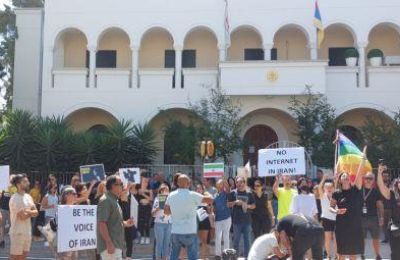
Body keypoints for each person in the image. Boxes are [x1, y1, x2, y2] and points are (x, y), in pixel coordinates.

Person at [164, 174, 213, 260]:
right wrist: (207, 192)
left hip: (176, 231)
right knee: (192, 256)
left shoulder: (171, 195)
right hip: (190, 231)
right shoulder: (193, 195)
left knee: (174, 255)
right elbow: (210, 200)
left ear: (178, 183)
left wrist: (177, 211)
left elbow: (166, 212)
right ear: (189, 183)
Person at [330, 147, 366, 260]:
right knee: (341, 252)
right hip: (341, 225)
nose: (345, 176)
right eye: (343, 176)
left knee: (353, 253)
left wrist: (363, 160)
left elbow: (359, 174)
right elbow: (331, 207)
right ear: (340, 180)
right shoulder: (336, 193)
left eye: (347, 175)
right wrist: (336, 211)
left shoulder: (356, 189)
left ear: (350, 179)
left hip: (355, 224)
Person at [97, 175, 135, 260]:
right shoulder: (106, 200)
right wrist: (108, 242)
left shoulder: (114, 200)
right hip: (110, 246)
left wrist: (126, 223)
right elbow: (102, 224)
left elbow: (114, 222)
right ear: (113, 186)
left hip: (116, 244)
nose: (123, 186)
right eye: (121, 184)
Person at [9, 174, 38, 260]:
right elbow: (23, 216)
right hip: (18, 233)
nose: (28, 183)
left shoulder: (28, 197)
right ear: (18, 184)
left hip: (27, 232)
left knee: (23, 256)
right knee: (15, 257)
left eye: (27, 181)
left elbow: (36, 212)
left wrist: (28, 211)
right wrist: (31, 212)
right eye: (25, 182)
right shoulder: (14, 198)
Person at [228, 176, 255, 257]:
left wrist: (246, 205)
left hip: (247, 221)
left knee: (247, 242)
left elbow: (254, 206)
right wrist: (235, 202)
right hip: (236, 221)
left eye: (241, 182)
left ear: (244, 183)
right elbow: (228, 204)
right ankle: (235, 257)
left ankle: (247, 257)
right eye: (237, 182)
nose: (239, 184)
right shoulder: (233, 193)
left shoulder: (249, 193)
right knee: (236, 241)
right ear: (235, 183)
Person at [377, 165, 400, 260]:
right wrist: (379, 173)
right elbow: (381, 186)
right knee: (396, 254)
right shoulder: (392, 194)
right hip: (396, 229)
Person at [360, 172, 384, 260]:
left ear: (373, 180)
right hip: (361, 218)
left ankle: (378, 255)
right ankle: (362, 255)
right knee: (362, 239)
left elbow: (380, 205)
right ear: (364, 179)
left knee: (376, 238)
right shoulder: (359, 190)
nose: (368, 180)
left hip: (373, 218)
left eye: (371, 178)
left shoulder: (376, 191)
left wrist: (381, 217)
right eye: (367, 178)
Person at [56, 186, 79, 260]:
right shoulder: (62, 209)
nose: (76, 195)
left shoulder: (78, 209)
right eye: (74, 193)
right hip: (65, 243)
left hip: (74, 243)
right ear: (66, 196)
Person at [318, 174, 337, 260]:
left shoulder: (336, 195)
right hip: (326, 219)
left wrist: (335, 179)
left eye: (330, 187)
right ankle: (329, 256)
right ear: (324, 188)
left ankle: (337, 256)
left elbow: (336, 184)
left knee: (337, 239)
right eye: (327, 187)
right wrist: (323, 179)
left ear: (333, 188)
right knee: (327, 239)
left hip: (336, 219)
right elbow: (319, 187)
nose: (329, 189)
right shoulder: (322, 196)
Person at [152, 183, 172, 260]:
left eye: (167, 190)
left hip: (169, 223)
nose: (166, 192)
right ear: (160, 191)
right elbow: (153, 214)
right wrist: (159, 207)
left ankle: (164, 258)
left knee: (167, 244)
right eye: (164, 190)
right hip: (159, 224)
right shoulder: (157, 199)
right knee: (159, 243)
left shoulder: (171, 200)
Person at [213, 178, 231, 259]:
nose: (221, 185)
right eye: (219, 183)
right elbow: (214, 207)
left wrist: (224, 178)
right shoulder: (214, 195)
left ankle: (226, 254)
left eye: (222, 184)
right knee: (218, 237)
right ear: (216, 185)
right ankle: (217, 254)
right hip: (218, 218)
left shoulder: (226, 193)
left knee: (226, 236)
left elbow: (228, 187)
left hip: (226, 217)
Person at [118, 183, 135, 260]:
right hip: (120, 223)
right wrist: (127, 187)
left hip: (129, 222)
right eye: (123, 191)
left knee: (129, 239)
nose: (125, 192)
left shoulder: (130, 198)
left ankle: (128, 256)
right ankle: (120, 256)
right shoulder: (117, 201)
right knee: (120, 239)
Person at [195, 183, 212, 258]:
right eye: (197, 189)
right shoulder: (193, 198)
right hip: (196, 222)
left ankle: (203, 257)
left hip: (204, 221)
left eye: (200, 189)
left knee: (204, 241)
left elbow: (210, 210)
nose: (198, 190)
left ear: (202, 190)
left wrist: (206, 193)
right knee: (196, 241)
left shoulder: (206, 198)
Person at [135, 176, 153, 245]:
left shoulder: (149, 189)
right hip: (140, 207)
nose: (145, 183)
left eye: (146, 182)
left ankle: (147, 237)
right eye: (144, 181)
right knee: (141, 222)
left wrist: (143, 194)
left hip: (147, 207)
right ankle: (142, 237)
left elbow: (151, 199)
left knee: (147, 223)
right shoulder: (138, 189)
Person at [381, 170, 392, 243]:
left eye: (386, 176)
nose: (385, 177)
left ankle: (391, 239)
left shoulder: (392, 185)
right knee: (383, 225)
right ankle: (386, 238)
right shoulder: (380, 185)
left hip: (391, 208)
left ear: (389, 177)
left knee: (391, 224)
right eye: (384, 176)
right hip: (382, 208)